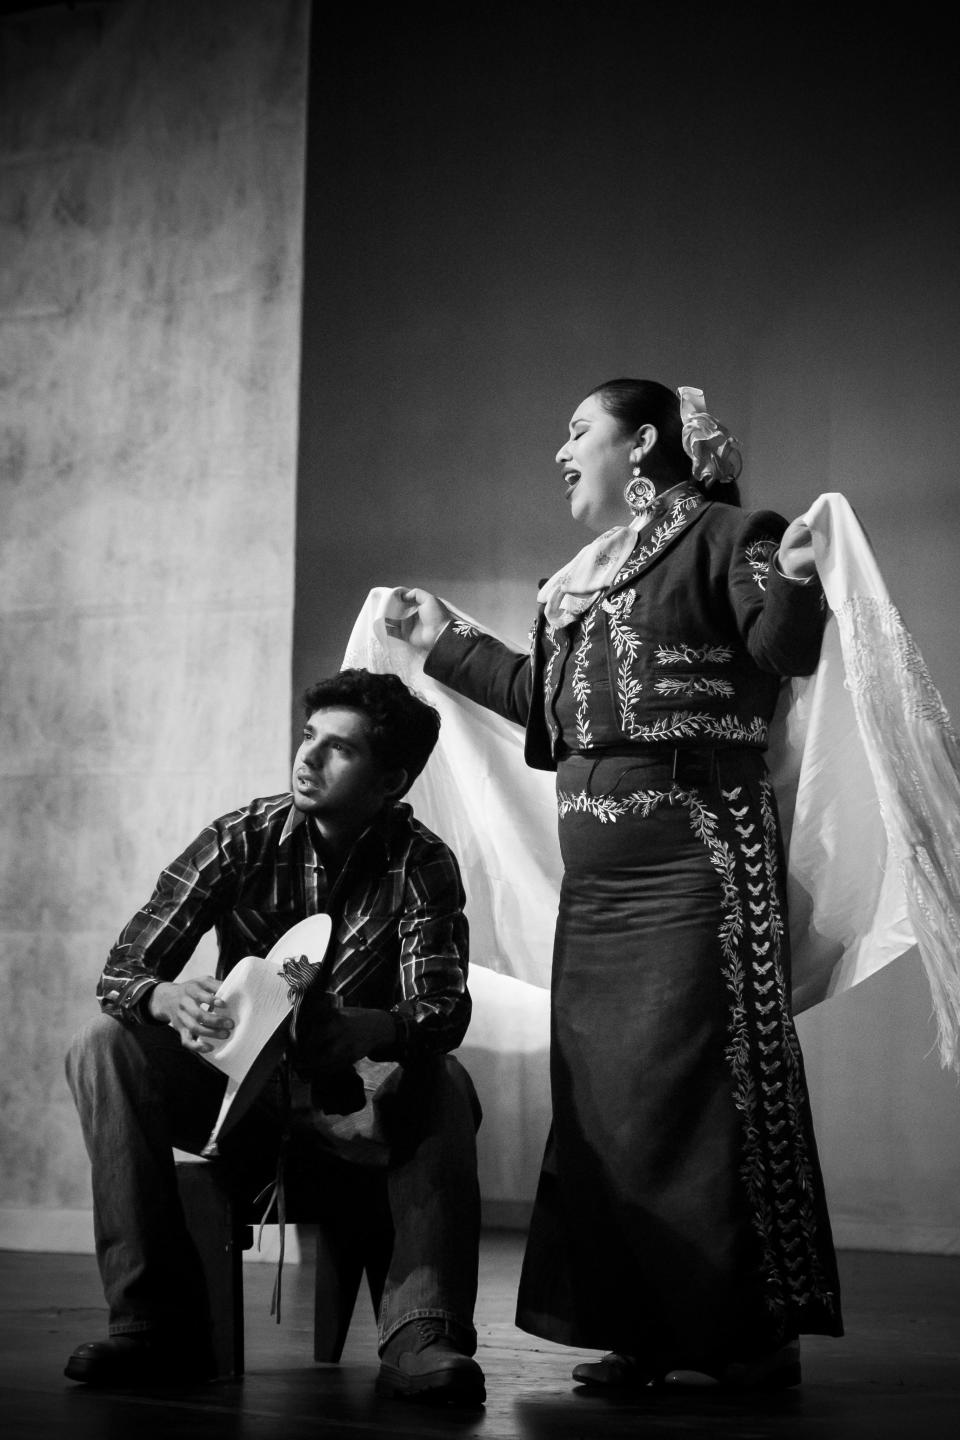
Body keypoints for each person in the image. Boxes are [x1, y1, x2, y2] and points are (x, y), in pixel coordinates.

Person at [396, 378, 843, 1389]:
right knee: (610, 1102)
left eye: (576, 431)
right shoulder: (582, 578)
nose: (560, 451)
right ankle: (645, 1328)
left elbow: (782, 650)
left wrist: (804, 579)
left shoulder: (730, 534)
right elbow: (548, 713)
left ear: (641, 443)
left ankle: (749, 1338)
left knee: (702, 1091)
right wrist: (440, 642)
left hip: (697, 858)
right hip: (602, 885)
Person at [64, 668, 485, 1406]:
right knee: (101, 1045)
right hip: (237, 1099)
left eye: (339, 750)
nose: (308, 758)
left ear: (390, 781)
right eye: (308, 736)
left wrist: (375, 1026)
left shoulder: (422, 863)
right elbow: (123, 969)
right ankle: (149, 1325)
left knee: (447, 1080)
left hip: (355, 1106)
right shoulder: (241, 836)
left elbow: (444, 1011)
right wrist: (163, 996)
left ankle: (423, 1332)